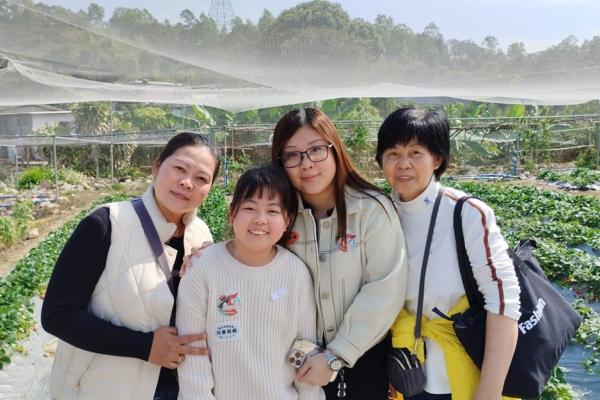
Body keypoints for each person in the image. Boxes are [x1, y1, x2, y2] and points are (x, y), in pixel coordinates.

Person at [41, 132, 221, 400]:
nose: (187, 183)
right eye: (180, 168)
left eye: (201, 178)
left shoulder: (202, 235)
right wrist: (145, 346)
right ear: (156, 167)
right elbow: (57, 315)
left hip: (180, 388)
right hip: (105, 390)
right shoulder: (107, 224)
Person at [376, 107, 521, 400]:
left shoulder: (466, 213)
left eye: (415, 153)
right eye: (392, 153)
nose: (403, 164)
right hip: (406, 373)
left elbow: (504, 302)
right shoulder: (377, 213)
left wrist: (489, 392)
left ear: (437, 159)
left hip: (463, 374)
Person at [270, 108, 408, 400]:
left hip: (360, 362)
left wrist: (336, 354)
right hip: (291, 364)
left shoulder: (371, 209)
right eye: (292, 155)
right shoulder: (278, 214)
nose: (306, 163)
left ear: (335, 150)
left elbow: (385, 288)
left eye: (316, 150)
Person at [176, 165, 323, 400]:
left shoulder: (296, 273)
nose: (260, 220)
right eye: (249, 208)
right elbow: (192, 356)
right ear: (232, 213)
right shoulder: (202, 268)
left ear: (287, 220)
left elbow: (305, 350)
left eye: (272, 211)